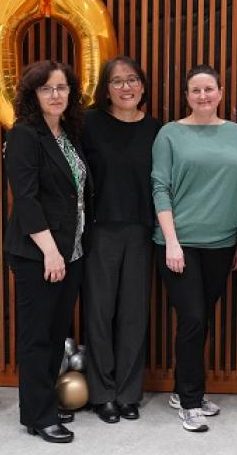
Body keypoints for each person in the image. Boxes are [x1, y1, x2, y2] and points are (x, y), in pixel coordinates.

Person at [152, 64, 237, 432]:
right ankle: (190, 401)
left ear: (221, 93)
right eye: (196, 90)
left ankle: (183, 389)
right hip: (180, 244)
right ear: (187, 95)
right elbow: (159, 187)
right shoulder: (169, 134)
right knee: (192, 318)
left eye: (209, 89)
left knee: (202, 319)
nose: (203, 96)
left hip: (222, 244)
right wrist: (172, 242)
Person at [4, 60, 91, 444]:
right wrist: (51, 253)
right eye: (46, 88)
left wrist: (67, 252)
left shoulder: (67, 134)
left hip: (71, 251)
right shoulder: (25, 135)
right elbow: (26, 199)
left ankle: (43, 402)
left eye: (61, 88)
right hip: (39, 254)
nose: (56, 95)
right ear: (33, 95)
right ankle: (37, 416)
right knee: (37, 337)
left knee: (56, 335)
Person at [81, 56, 160, 423]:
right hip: (100, 230)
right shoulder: (89, 124)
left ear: (143, 87)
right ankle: (102, 393)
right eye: (117, 81)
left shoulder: (158, 130)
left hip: (142, 231)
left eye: (132, 80)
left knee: (133, 314)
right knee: (99, 312)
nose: (126, 87)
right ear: (106, 90)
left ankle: (128, 393)